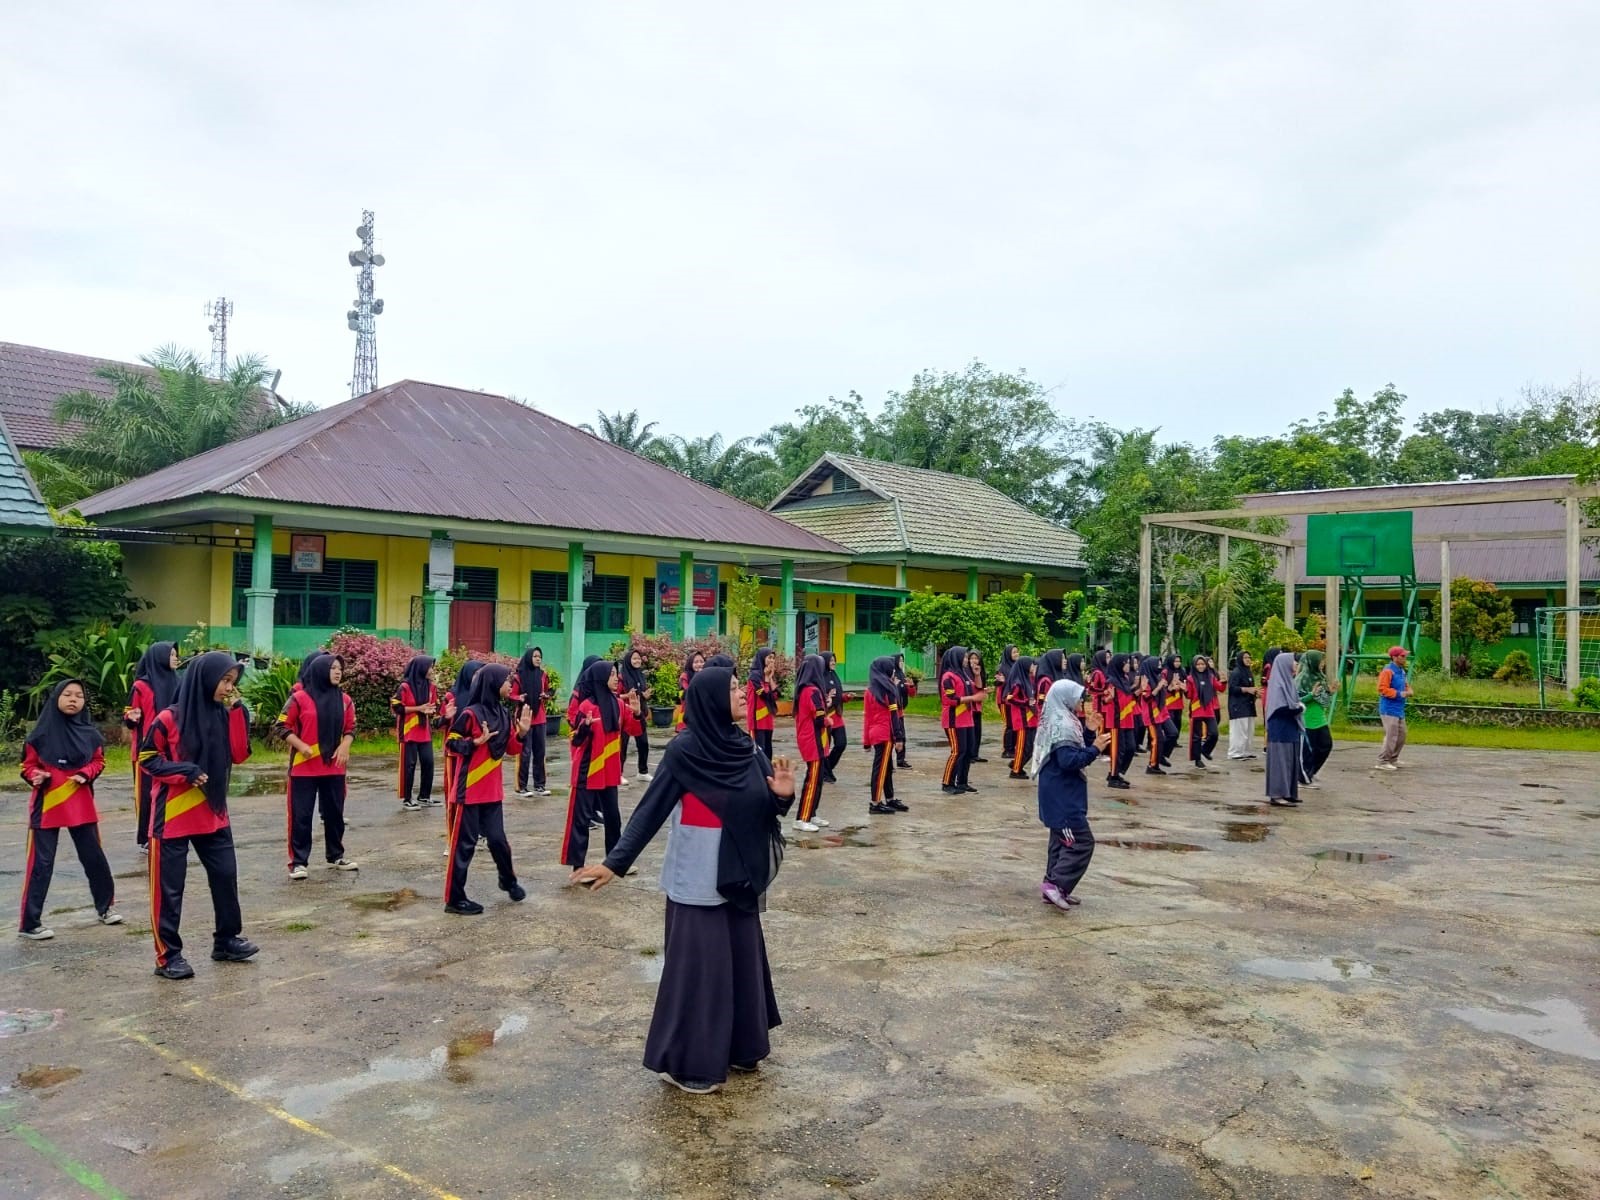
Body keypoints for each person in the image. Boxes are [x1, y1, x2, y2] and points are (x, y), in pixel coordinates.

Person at [572, 667, 794, 1094]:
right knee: (702, 970)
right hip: (696, 877)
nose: (742, 694)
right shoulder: (684, 751)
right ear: (711, 698)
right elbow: (650, 812)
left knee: (743, 960)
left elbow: (764, 809)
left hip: (739, 874)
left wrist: (781, 797)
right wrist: (615, 863)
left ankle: (741, 1047)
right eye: (732, 689)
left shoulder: (747, 749)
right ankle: (692, 1063)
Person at [138, 650, 256, 979]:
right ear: (203, 678)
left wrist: (236, 713)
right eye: (224, 680)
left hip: (212, 814)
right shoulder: (168, 719)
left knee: (225, 877)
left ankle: (226, 941)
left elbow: (240, 754)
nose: (228, 687)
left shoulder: (225, 714)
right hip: (172, 818)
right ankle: (168, 956)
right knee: (169, 890)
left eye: (232, 682)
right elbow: (147, 759)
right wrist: (184, 771)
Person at [18, 679, 118, 939]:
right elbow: (26, 766)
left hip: (81, 805)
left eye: (79, 696)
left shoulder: (91, 734)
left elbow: (98, 761)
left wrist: (86, 773)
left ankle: (105, 908)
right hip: (47, 807)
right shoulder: (38, 736)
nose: (74, 699)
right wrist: (35, 775)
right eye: (68, 694)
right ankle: (30, 924)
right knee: (41, 864)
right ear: (56, 698)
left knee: (94, 858)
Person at [443, 663, 531, 913]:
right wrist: (475, 742)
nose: (510, 684)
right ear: (493, 683)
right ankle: (454, 899)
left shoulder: (503, 713)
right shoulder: (470, 714)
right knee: (464, 846)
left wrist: (522, 734)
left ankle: (508, 881)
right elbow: (451, 744)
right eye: (506, 680)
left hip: (492, 792)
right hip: (469, 791)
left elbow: (511, 749)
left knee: (498, 840)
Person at [1032, 678, 1111, 912]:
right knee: (1081, 842)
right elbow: (1069, 761)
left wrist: (1088, 732)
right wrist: (1096, 747)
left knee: (1060, 841)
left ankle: (1056, 887)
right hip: (1063, 798)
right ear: (1065, 697)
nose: (1082, 702)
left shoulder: (1062, 719)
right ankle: (1056, 884)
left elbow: (1071, 751)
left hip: (1059, 795)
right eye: (1079, 698)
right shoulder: (1062, 725)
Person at [561, 660, 643, 872]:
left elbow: (634, 730)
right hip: (586, 772)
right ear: (600, 677)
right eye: (612, 674)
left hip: (610, 773)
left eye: (617, 674)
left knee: (613, 818)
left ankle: (615, 862)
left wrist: (635, 713)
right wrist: (584, 728)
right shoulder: (586, 706)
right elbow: (575, 739)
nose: (617, 678)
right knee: (580, 821)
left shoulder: (618, 704)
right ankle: (577, 866)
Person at [281, 653, 358, 879]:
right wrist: (301, 745)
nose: (337, 672)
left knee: (335, 813)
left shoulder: (345, 700)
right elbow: (281, 726)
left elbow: (351, 727)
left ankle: (336, 855)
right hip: (304, 768)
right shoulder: (299, 698)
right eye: (332, 668)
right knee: (301, 816)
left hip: (334, 767)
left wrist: (345, 745)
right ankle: (298, 862)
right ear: (320, 671)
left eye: (340, 669)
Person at [123, 641, 179, 850]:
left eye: (176, 655)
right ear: (160, 657)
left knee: (170, 791)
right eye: (171, 655)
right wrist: (131, 716)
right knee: (147, 795)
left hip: (171, 747)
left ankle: (169, 830)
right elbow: (128, 713)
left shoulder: (178, 682)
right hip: (146, 749)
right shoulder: (141, 686)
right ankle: (147, 836)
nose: (175, 658)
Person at [441, 659, 483, 835]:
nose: (477, 678)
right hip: (455, 754)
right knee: (454, 797)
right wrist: (446, 717)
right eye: (475, 674)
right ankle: (452, 838)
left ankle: (478, 833)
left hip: (477, 753)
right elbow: (437, 722)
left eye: (480, 675)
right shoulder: (452, 697)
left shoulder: (482, 696)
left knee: (477, 796)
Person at [392, 654, 439, 810]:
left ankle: (424, 796)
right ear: (421, 668)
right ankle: (407, 798)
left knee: (428, 763)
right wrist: (418, 708)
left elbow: (433, 705)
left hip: (424, 731)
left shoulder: (432, 687)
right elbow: (397, 707)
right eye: (430, 667)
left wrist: (431, 710)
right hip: (408, 732)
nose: (432, 670)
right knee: (409, 765)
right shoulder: (404, 687)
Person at [791, 654, 830, 833]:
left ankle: (812, 812)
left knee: (818, 778)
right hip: (812, 740)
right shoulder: (812, 690)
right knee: (813, 779)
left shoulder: (805, 689)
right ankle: (802, 817)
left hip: (814, 739)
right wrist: (829, 721)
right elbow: (820, 717)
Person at [862, 655, 906, 815]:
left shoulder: (869, 691)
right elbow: (894, 716)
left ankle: (890, 798)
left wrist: (866, 741)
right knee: (880, 770)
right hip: (885, 734)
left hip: (875, 734)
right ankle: (875, 802)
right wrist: (899, 738)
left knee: (886, 768)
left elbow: (866, 717)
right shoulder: (889, 690)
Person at [1263, 647, 1303, 808]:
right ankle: (1277, 794)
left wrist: (1297, 707)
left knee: (1290, 761)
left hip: (1290, 728)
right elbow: (1279, 709)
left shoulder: (1289, 681)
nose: (1296, 664)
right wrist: (1298, 708)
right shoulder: (1277, 684)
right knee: (1280, 761)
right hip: (1280, 729)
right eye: (1294, 662)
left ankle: (1289, 793)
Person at [513, 647, 554, 797]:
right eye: (535, 656)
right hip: (524, 718)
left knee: (540, 752)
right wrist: (520, 698)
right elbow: (512, 694)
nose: (538, 659)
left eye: (540, 656)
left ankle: (540, 785)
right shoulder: (519, 676)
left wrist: (545, 695)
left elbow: (549, 691)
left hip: (540, 718)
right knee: (525, 752)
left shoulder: (543, 675)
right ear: (529, 657)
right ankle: (521, 786)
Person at [938, 646, 980, 795]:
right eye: (964, 657)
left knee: (968, 751)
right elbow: (950, 699)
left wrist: (977, 675)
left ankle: (962, 782)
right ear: (956, 658)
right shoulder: (948, 676)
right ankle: (947, 782)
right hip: (953, 720)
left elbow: (977, 688)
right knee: (957, 751)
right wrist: (972, 698)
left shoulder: (964, 674)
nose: (967, 660)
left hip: (967, 719)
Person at [1298, 650, 1337, 786]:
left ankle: (1311, 772)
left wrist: (1330, 692)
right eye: (1321, 661)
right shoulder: (1301, 679)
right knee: (1308, 751)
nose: (1322, 664)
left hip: (1320, 719)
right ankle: (1303, 778)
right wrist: (1311, 694)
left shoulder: (1320, 677)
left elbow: (1324, 702)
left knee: (1326, 746)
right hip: (1307, 720)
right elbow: (1296, 700)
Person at [1373, 645, 1411, 771]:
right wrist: (1399, 694)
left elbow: (1404, 684)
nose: (1405, 658)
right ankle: (1382, 761)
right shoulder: (1388, 671)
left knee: (1402, 734)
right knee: (1391, 735)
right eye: (1402, 656)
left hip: (1399, 708)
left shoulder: (1401, 670)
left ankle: (1393, 759)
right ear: (1394, 657)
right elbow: (1382, 689)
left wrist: (1408, 689)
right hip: (1389, 708)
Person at [619, 647, 654, 781]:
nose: (637, 661)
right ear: (628, 660)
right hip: (626, 715)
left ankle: (643, 772)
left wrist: (644, 695)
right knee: (623, 744)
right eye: (634, 658)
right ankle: (619, 773)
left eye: (639, 658)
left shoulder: (641, 675)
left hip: (639, 714)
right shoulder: (621, 677)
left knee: (643, 743)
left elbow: (640, 694)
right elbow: (616, 696)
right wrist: (627, 695)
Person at [1105, 654, 1139, 790]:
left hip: (1127, 719)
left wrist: (1138, 688)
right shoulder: (1111, 681)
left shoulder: (1125, 679)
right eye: (1125, 663)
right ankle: (1113, 778)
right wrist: (1109, 698)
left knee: (1130, 748)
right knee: (1117, 750)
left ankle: (1117, 772)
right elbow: (1104, 699)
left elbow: (1128, 697)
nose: (1127, 665)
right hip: (1116, 720)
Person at [1141, 656, 1177, 774]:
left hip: (1162, 711)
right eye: (1158, 664)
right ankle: (1152, 766)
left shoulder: (1159, 676)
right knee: (1157, 739)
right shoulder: (1145, 679)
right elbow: (1147, 697)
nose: (1160, 667)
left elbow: (1164, 693)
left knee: (1173, 733)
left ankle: (1161, 755)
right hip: (1151, 714)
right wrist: (1159, 686)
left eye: (1161, 664)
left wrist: (1171, 688)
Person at [1006, 656, 1039, 779]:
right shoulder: (1018, 683)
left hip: (1030, 719)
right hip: (1021, 719)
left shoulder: (1028, 680)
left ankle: (1016, 764)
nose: (1033, 666)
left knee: (1030, 746)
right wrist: (1025, 702)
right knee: (1021, 745)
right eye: (1031, 664)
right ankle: (1015, 771)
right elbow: (1010, 698)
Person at [1186, 655, 1222, 767]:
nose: (1200, 666)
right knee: (1196, 736)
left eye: (1202, 664)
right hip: (1197, 709)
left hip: (1209, 709)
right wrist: (1185, 689)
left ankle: (1205, 750)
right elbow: (1189, 695)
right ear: (1194, 665)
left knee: (1214, 734)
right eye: (1198, 664)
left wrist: (1224, 681)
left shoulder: (1210, 676)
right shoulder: (1190, 679)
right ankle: (1197, 759)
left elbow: (1220, 687)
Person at [745, 647, 778, 761]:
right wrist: (767, 679)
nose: (772, 661)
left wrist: (770, 677)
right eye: (769, 657)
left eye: (773, 658)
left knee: (768, 750)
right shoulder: (754, 676)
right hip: (756, 721)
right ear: (762, 658)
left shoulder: (768, 676)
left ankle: (767, 776)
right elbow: (763, 694)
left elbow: (774, 696)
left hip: (768, 720)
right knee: (759, 751)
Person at [820, 652, 848, 782]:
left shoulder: (834, 675)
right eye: (831, 660)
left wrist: (845, 697)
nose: (833, 662)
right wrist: (827, 698)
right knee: (824, 747)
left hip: (836, 716)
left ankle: (826, 769)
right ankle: (825, 772)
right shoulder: (820, 677)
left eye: (834, 660)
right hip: (825, 717)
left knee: (841, 743)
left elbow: (837, 695)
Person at [1226, 651, 1259, 760]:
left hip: (1248, 705)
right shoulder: (1236, 672)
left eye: (1249, 657)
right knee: (1239, 731)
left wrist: (1255, 692)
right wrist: (1246, 689)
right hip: (1238, 706)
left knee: (1249, 731)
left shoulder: (1248, 672)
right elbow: (1232, 689)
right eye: (1245, 658)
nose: (1248, 659)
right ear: (1240, 659)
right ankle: (1235, 753)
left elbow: (1251, 688)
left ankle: (1246, 751)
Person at [996, 644, 1020, 763]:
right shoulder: (1002, 667)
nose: (1016, 654)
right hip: (1004, 700)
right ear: (1008, 654)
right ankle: (1007, 749)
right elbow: (998, 683)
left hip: (1015, 699)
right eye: (1014, 652)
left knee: (1015, 724)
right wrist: (1003, 681)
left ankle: (1013, 748)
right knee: (1009, 725)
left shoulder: (1017, 666)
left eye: (1017, 652)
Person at [966, 650, 989, 763]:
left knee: (977, 730)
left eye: (976, 658)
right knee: (970, 731)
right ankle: (969, 754)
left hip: (977, 705)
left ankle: (975, 754)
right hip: (968, 705)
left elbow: (979, 686)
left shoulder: (980, 672)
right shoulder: (964, 672)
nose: (974, 661)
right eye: (972, 658)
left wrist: (978, 674)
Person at [675, 651, 705, 732]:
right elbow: (687, 693)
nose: (699, 664)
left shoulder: (707, 675)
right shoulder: (685, 676)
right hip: (688, 713)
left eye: (702, 661)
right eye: (696, 662)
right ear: (690, 663)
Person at [892, 653, 913, 770]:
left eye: (902, 661)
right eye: (899, 660)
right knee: (894, 737)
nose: (901, 663)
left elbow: (911, 694)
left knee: (902, 736)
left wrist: (911, 686)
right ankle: (889, 762)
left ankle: (900, 759)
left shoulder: (902, 675)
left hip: (900, 711)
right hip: (892, 711)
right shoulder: (892, 675)